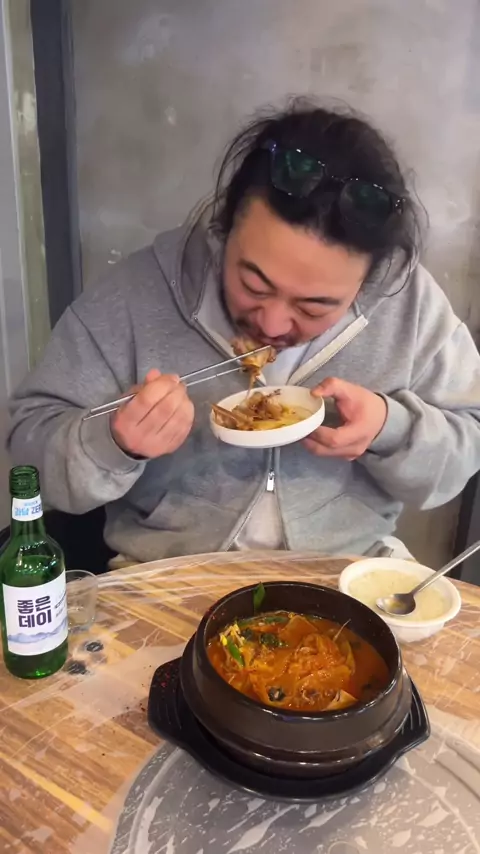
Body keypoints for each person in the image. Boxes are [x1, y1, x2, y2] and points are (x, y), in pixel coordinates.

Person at [8, 101, 480, 565]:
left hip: (349, 568)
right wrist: (113, 442)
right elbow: (30, 450)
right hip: (166, 574)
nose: (273, 325)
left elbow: (469, 439)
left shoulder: (408, 303)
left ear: (369, 281)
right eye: (253, 284)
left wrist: (389, 428)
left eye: (314, 306)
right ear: (224, 231)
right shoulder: (137, 293)